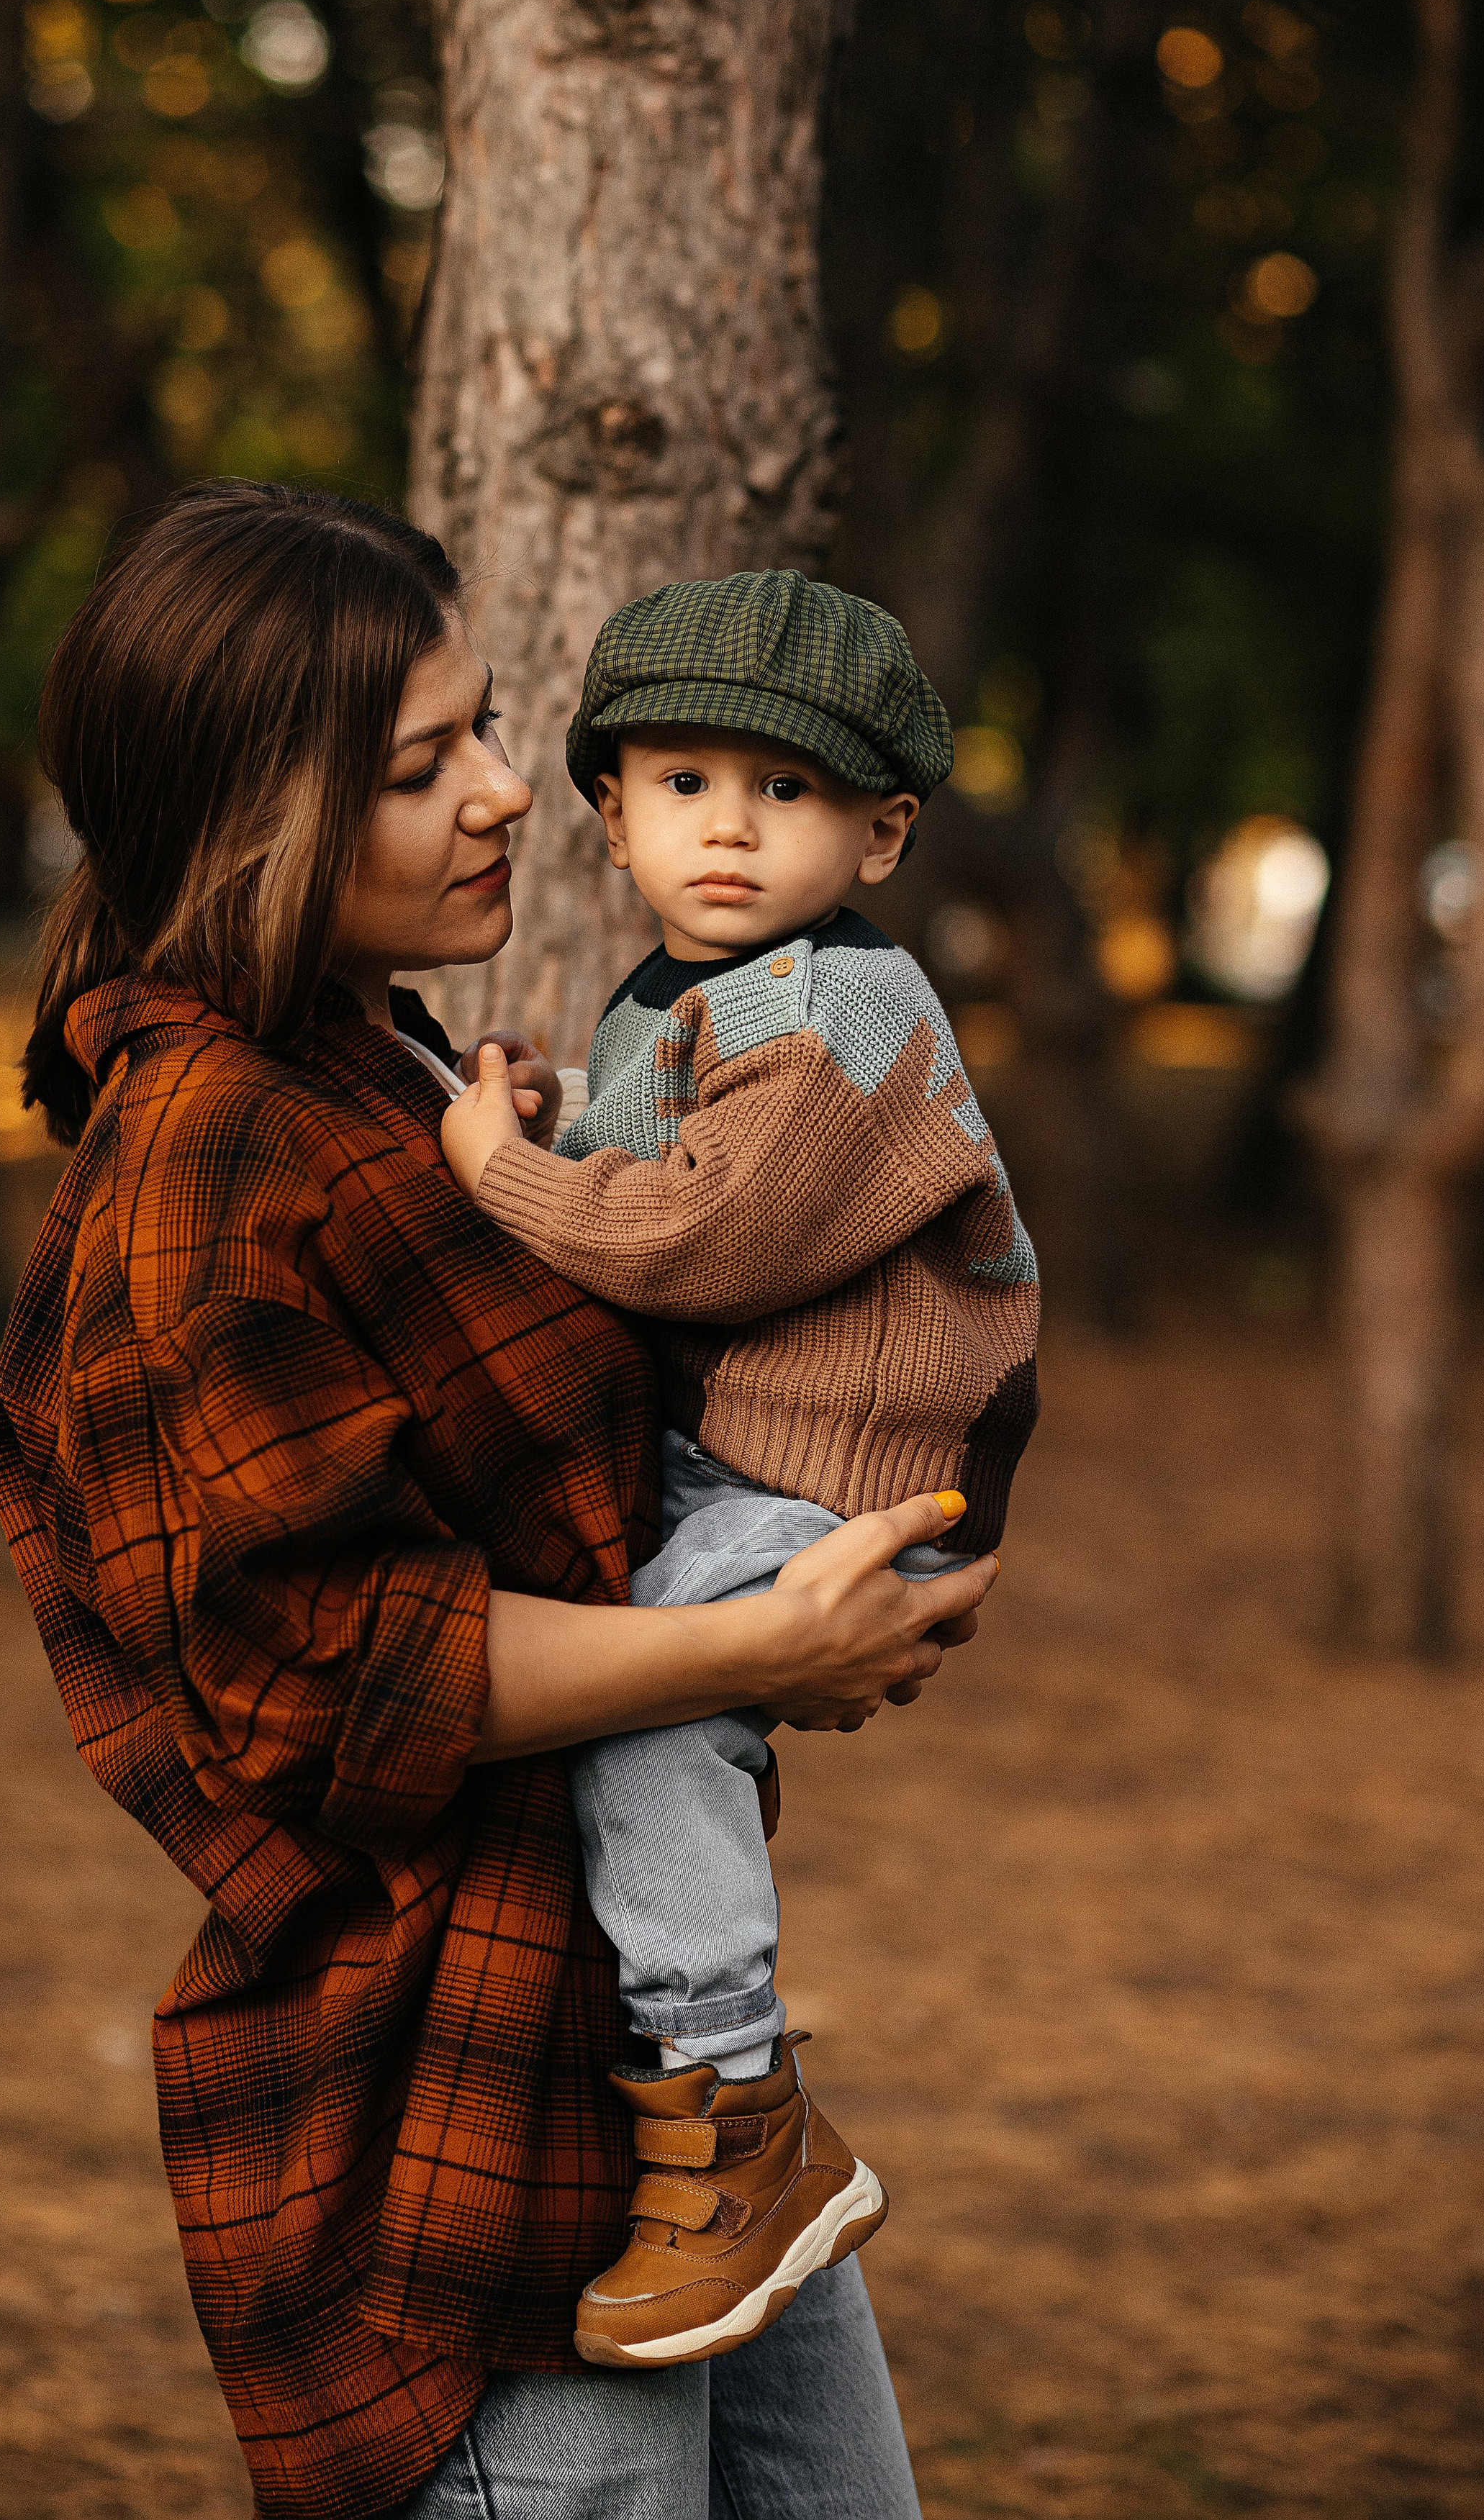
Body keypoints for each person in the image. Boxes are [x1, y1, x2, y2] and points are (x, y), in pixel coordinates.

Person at [0, 483, 999, 2520]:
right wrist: (762, 1639)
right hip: (451, 2116)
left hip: (666, 2088)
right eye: (423, 761)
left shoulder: (374, 1061)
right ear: (254, 813)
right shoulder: (211, 1152)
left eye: (494, 724)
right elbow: (328, 1673)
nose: (515, 792)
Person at [438, 569, 1040, 2372]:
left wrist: (493, 1172)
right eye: (683, 782)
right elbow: (652, 1152)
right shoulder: (687, 992)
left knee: (649, 1687)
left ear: (880, 832)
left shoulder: (849, 1006)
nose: (728, 826)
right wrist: (556, 1129)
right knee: (649, 1657)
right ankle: (725, 2102)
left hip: (852, 1473)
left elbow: (704, 1233)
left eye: (785, 793)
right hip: (758, 1457)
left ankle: (728, 2095)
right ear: (607, 810)